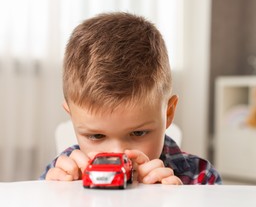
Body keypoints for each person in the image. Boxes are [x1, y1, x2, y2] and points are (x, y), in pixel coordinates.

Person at [39, 12, 222, 185]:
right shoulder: (61, 174)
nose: (118, 154)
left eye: (138, 133)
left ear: (168, 113)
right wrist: (58, 198)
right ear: (72, 117)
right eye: (96, 136)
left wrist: (173, 204)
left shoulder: (201, 178)